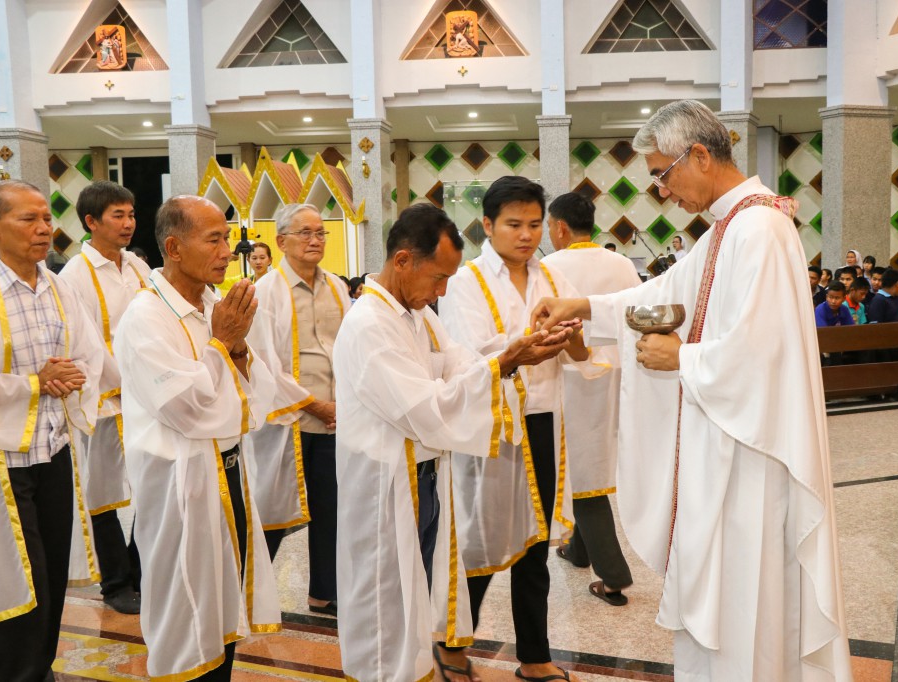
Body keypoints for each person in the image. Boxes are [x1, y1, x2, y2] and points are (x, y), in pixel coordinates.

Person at [530, 100, 852, 681]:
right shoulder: (730, 226)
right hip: (720, 442)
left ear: (699, 155)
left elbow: (763, 351)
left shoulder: (759, 229)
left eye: (662, 173)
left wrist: (682, 357)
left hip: (751, 454)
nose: (661, 189)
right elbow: (660, 294)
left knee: (746, 593)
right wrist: (582, 306)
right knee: (722, 587)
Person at [334, 203, 574, 682]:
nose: (442, 290)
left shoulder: (416, 314)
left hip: (423, 481)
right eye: (438, 277)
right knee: (385, 608)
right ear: (403, 260)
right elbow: (424, 408)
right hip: (385, 489)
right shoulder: (370, 324)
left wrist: (509, 358)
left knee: (415, 598)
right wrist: (504, 363)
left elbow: (457, 361)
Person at [114, 196, 281, 680]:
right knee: (186, 613)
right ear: (174, 248)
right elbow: (183, 407)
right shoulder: (146, 317)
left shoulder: (213, 304)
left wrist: (239, 348)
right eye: (214, 240)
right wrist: (222, 343)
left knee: (223, 611)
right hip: (179, 489)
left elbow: (256, 392)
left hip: (228, 475)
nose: (228, 251)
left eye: (226, 238)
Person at [436, 176, 591, 681]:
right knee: (479, 538)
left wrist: (570, 336)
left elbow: (581, 351)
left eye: (534, 224)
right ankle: (451, 643)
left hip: (542, 422)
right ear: (487, 225)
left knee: (535, 543)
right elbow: (470, 354)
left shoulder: (553, 279)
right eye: (513, 224)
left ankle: (534, 655)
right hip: (491, 427)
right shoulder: (466, 282)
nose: (526, 235)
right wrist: (530, 340)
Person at [0, 180, 105, 681]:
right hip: (1, 464)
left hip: (54, 452)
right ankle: (16, 673)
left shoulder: (58, 287)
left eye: (47, 219)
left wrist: (73, 375)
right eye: (28, 219)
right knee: (17, 585)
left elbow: (91, 355)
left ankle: (40, 669)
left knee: (50, 576)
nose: (43, 229)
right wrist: (37, 383)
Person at [245, 203, 349, 618]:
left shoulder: (337, 287)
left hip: (335, 418)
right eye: (305, 233)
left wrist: (340, 405)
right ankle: (248, 593)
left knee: (332, 508)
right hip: (288, 419)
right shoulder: (265, 291)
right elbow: (263, 363)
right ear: (281, 241)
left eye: (321, 233)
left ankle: (324, 592)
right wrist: (315, 404)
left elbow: (349, 347)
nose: (315, 240)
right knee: (271, 511)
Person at [59, 181, 151, 615]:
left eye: (131, 214)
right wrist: (130, 383)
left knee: (150, 483)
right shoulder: (74, 275)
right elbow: (87, 342)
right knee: (102, 492)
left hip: (145, 396)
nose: (128, 223)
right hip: (103, 399)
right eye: (118, 215)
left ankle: (139, 570)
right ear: (91, 221)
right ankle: (115, 583)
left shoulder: (137, 266)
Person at [542, 192, 639, 606]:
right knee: (592, 464)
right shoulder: (621, 264)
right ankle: (578, 549)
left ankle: (614, 575)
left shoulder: (549, 267)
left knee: (582, 473)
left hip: (573, 375)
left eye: (548, 226)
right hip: (617, 374)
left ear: (561, 227)